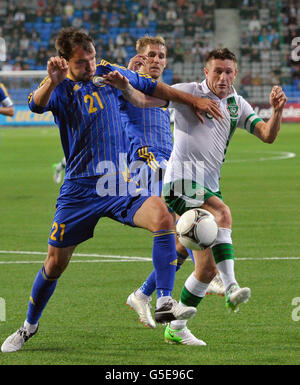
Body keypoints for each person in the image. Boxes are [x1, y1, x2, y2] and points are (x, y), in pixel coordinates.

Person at [1, 28, 222, 353]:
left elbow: (154, 86)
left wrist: (194, 100)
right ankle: (28, 326)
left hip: (119, 181)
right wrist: (52, 79)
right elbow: (35, 104)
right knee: (55, 264)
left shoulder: (108, 73)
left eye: (92, 57)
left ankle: (162, 300)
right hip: (79, 190)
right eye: (81, 62)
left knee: (163, 218)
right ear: (65, 61)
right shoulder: (60, 87)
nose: (90, 65)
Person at [161, 48, 287, 345]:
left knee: (205, 269)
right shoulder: (187, 92)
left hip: (208, 185)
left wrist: (277, 110)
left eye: (229, 71)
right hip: (180, 180)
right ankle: (231, 288)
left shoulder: (237, 104)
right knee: (223, 213)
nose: (223, 76)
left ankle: (175, 327)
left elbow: (267, 134)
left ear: (236, 73)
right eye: (217, 70)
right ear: (205, 72)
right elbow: (153, 95)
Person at [121, 36, 224, 332]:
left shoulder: (164, 92)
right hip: (147, 161)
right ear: (140, 58)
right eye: (150, 55)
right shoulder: (127, 85)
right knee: (189, 215)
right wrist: (128, 75)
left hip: (172, 163)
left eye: (161, 55)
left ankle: (142, 294)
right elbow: (115, 94)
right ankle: (208, 271)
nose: (156, 59)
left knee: (180, 241)